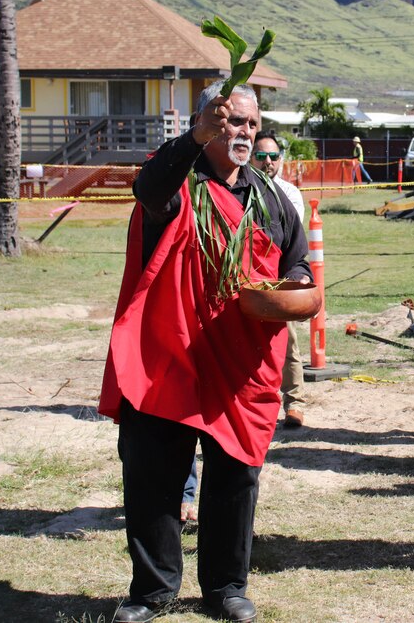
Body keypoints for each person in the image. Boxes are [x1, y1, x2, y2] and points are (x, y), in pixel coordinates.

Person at [99, 81, 311, 623]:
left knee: (235, 477)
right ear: (208, 122)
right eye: (231, 121)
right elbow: (148, 187)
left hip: (242, 363)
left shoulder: (272, 198)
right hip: (170, 355)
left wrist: (292, 288)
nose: (243, 132)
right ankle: (152, 590)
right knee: (153, 477)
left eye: (250, 124)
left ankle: (225, 587)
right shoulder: (177, 183)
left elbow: (297, 264)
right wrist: (194, 136)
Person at [253, 130, 308, 428]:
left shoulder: (289, 194)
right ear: (251, 159)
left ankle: (295, 403)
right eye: (261, 156)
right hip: (249, 280)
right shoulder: (240, 189)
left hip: (279, 280)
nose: (268, 162)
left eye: (273, 156)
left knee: (288, 342)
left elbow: (290, 240)